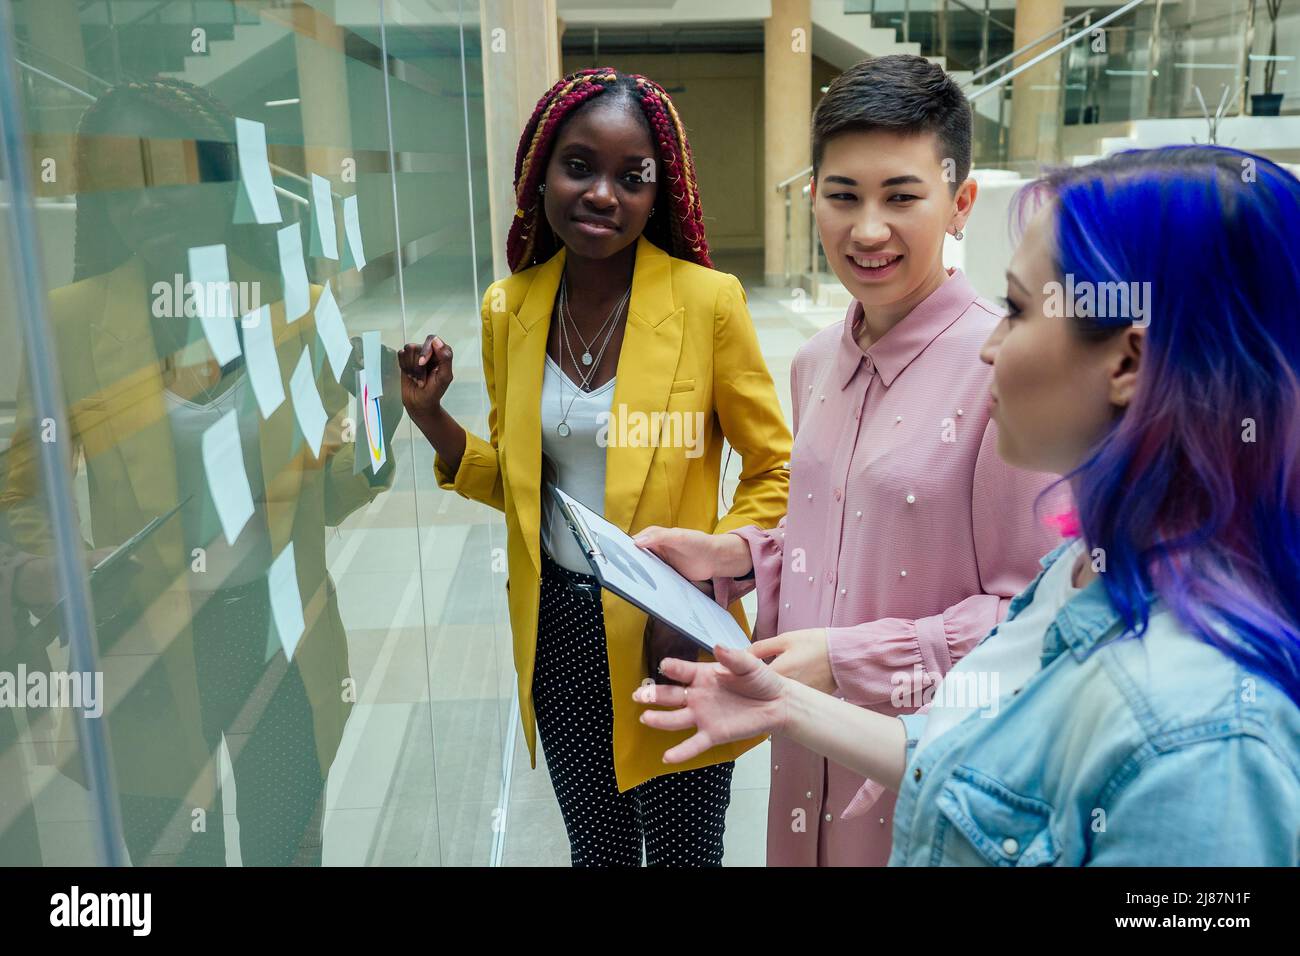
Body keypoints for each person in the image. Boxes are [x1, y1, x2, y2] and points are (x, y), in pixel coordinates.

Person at [636, 145, 1300, 865]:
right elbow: (983, 745)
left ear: (1128, 362)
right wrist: (785, 698)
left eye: (1015, 310)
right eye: (842, 195)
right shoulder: (1082, 571)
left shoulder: (1201, 741)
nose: (990, 348)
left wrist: (847, 662)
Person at [635, 55, 1062, 865]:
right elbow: (837, 537)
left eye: (902, 197)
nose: (868, 230)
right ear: (812, 199)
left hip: (919, 781)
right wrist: (735, 556)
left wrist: (843, 660)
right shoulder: (814, 361)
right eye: (843, 197)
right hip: (801, 769)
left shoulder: (1005, 368)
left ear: (960, 203)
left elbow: (1036, 619)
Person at [0, 78, 402, 865]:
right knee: (176, 852)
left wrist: (386, 430)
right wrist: (46, 567)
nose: (143, 205)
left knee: (285, 845)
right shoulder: (70, 321)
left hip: (279, 630)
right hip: (147, 640)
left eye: (167, 177)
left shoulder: (300, 305)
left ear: (219, 179)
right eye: (119, 189)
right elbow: (27, 482)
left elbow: (334, 482)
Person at [398, 68, 791, 866]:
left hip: (667, 632)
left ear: (659, 193)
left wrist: (714, 578)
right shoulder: (510, 308)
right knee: (600, 854)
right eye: (579, 166)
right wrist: (432, 418)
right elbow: (517, 481)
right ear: (540, 171)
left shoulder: (708, 303)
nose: (603, 193)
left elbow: (775, 469)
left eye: (631, 176)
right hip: (556, 632)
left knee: (685, 854)